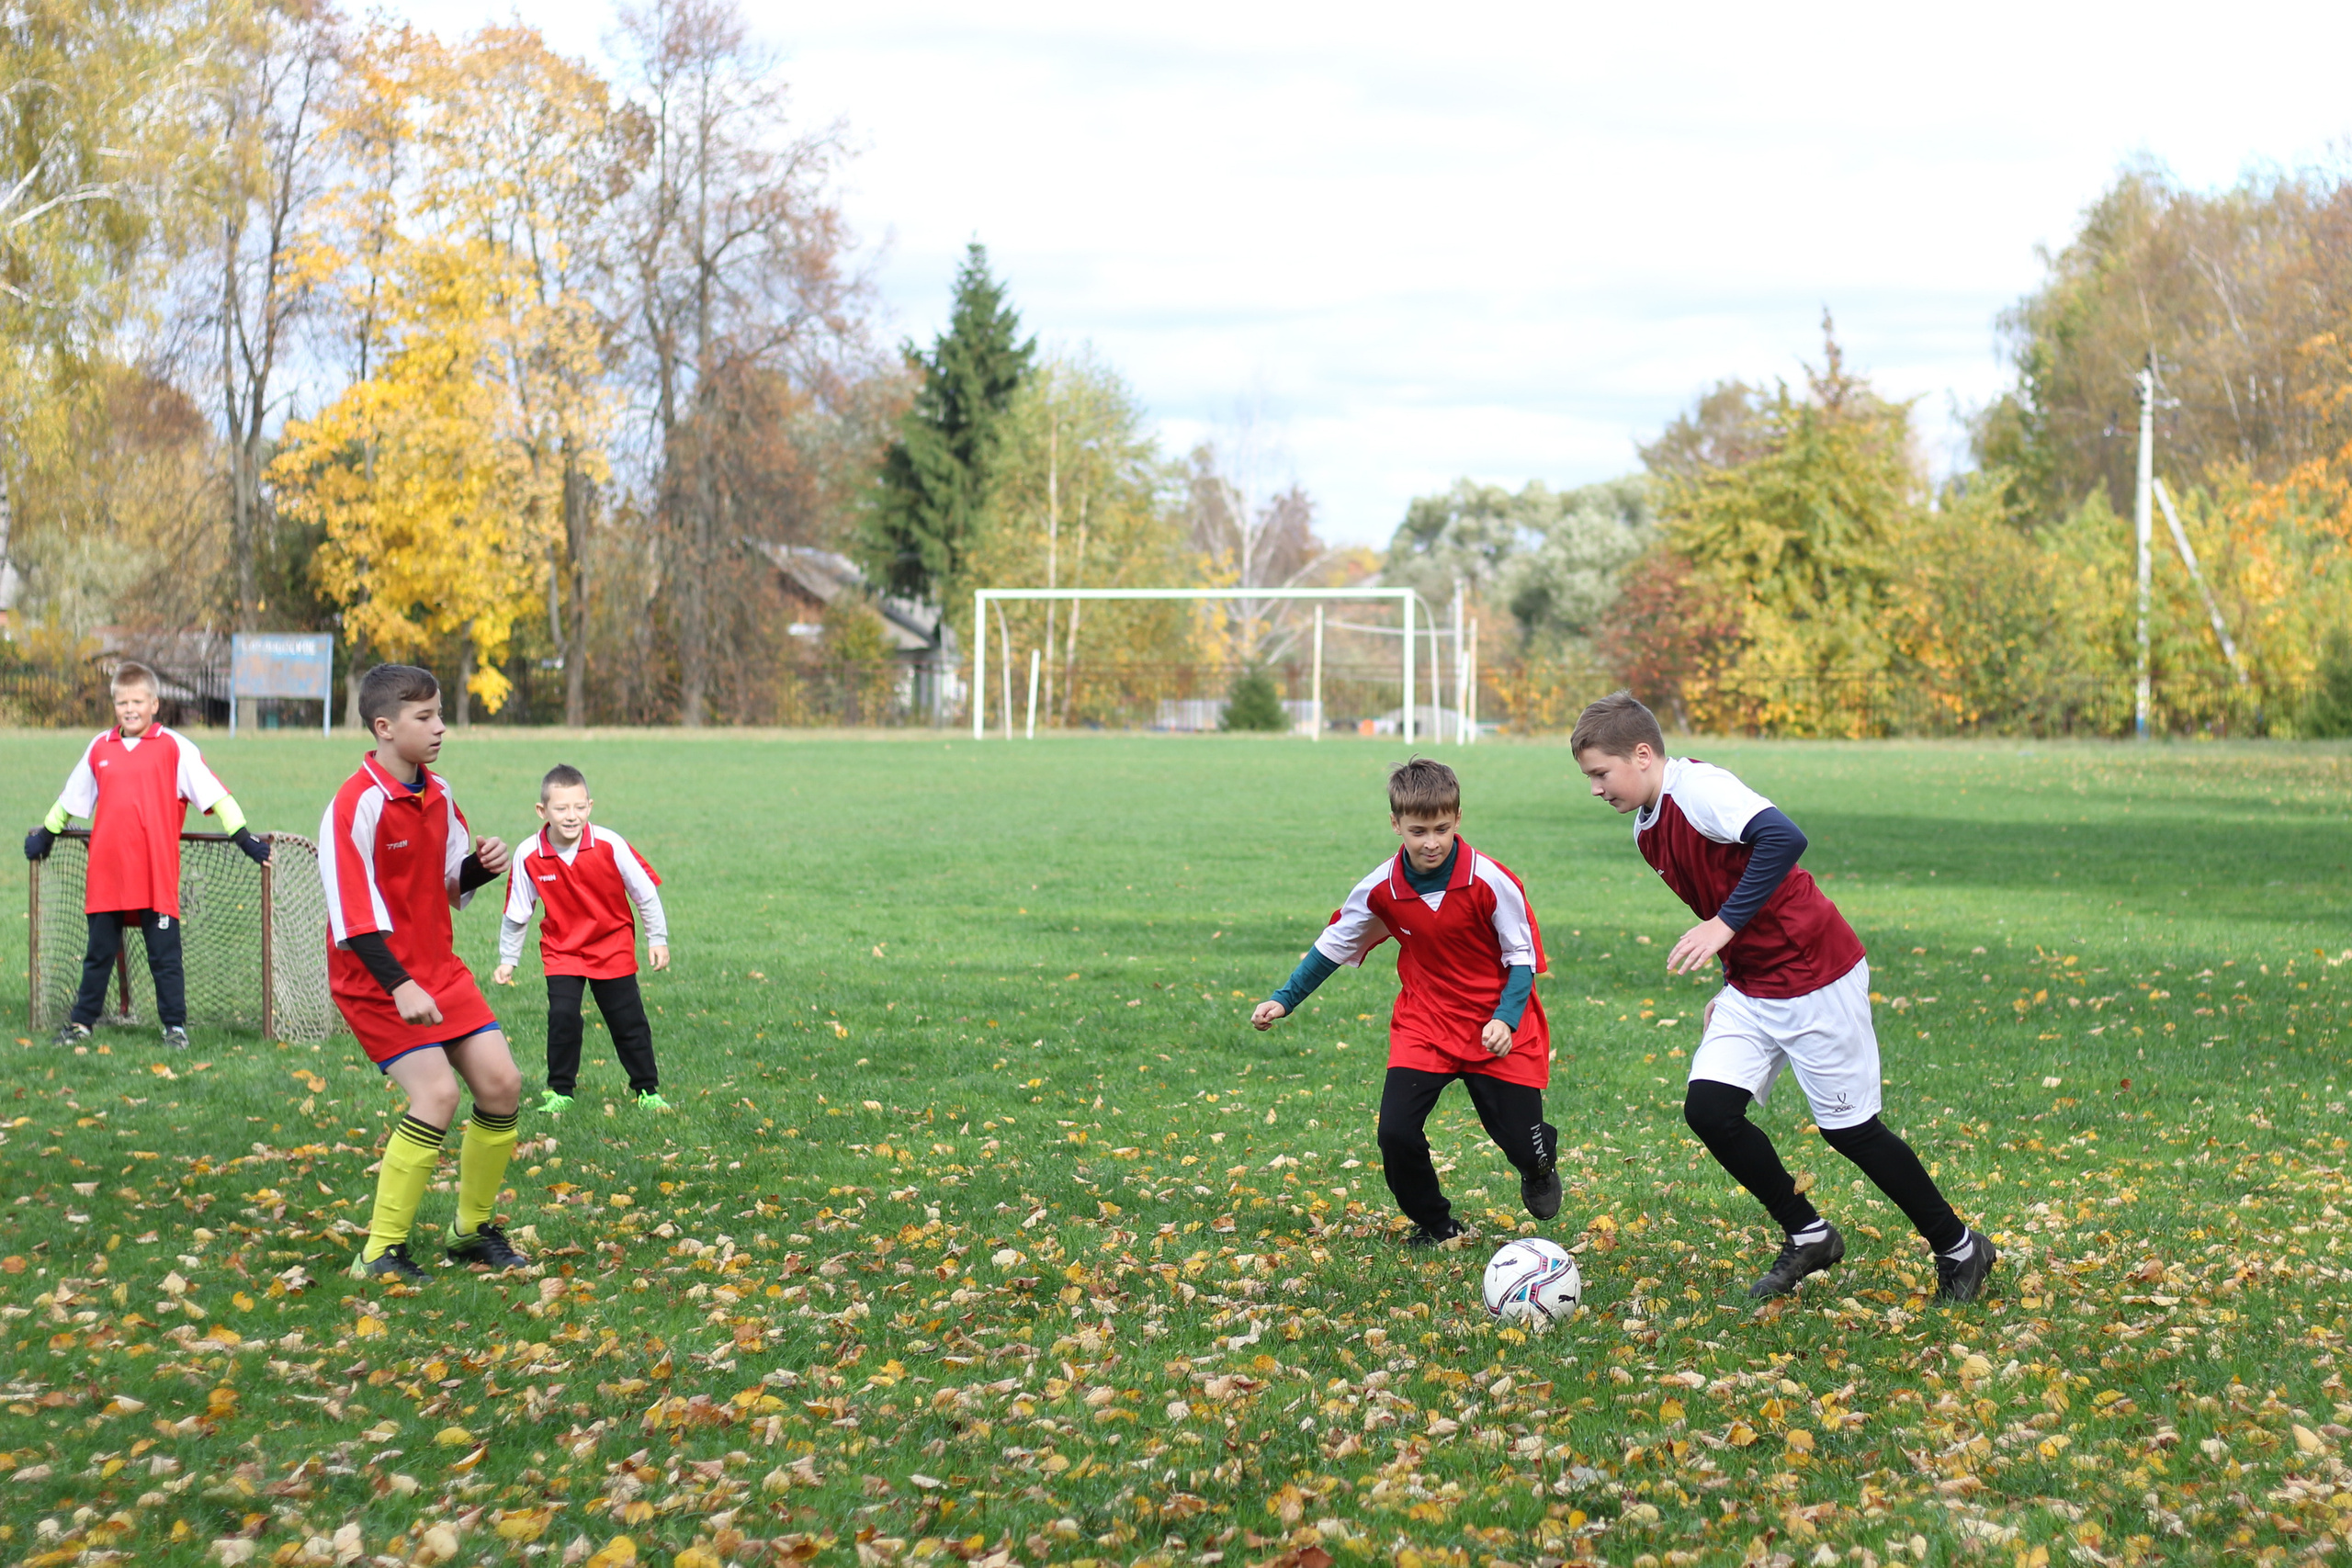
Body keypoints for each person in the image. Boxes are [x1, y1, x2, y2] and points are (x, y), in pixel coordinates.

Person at [1569, 691, 1995, 1303]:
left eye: (1600, 773)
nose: (1595, 788)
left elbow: (1782, 838)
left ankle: (1959, 1246)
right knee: (1710, 1109)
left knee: (1850, 1131)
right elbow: (1721, 888)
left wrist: (1723, 928)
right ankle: (1809, 1232)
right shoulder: (1647, 827)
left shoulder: (1702, 791)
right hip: (1753, 983)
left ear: (1641, 754)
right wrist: (1729, 972)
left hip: (1813, 972)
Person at [1251, 756, 1560, 1247]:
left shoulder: (1491, 880)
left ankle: (1539, 1162)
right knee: (1395, 1134)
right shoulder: (1380, 888)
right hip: (1426, 1025)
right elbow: (1332, 945)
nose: (1431, 841)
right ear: (1396, 824)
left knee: (1523, 1143)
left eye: (1441, 828)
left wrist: (1506, 1017)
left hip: (1497, 1026)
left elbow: (1521, 958)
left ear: (1458, 819)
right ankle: (1437, 1224)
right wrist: (1284, 999)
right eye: (1418, 830)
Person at [321, 663, 527, 1284]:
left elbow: (446, 883)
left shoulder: (438, 793)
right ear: (384, 727)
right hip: (374, 978)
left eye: (439, 714)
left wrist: (480, 869)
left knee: (502, 1083)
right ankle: (379, 1253)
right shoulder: (353, 805)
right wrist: (399, 984)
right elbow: (352, 919)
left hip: (437, 968)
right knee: (436, 1095)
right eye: (425, 717)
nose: (440, 728)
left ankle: (470, 1230)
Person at [25, 660, 270, 1051]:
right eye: (122, 702)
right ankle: (81, 1024)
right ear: (115, 706)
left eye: (138, 701)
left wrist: (244, 838)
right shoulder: (99, 747)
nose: (130, 709)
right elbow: (70, 797)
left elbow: (216, 794)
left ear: (155, 703)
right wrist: (48, 833)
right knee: (98, 954)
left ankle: (175, 1028)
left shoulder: (175, 747)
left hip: (156, 875)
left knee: (165, 957)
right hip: (107, 873)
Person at [492, 763, 673, 1114]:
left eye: (578, 807)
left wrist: (658, 938)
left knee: (628, 1021)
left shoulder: (610, 844)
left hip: (612, 945)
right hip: (563, 951)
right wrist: (507, 960)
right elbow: (517, 913)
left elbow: (645, 893)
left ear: (590, 806)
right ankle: (560, 1091)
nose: (571, 816)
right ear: (542, 811)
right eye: (561, 809)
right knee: (562, 1017)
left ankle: (647, 1090)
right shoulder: (529, 853)